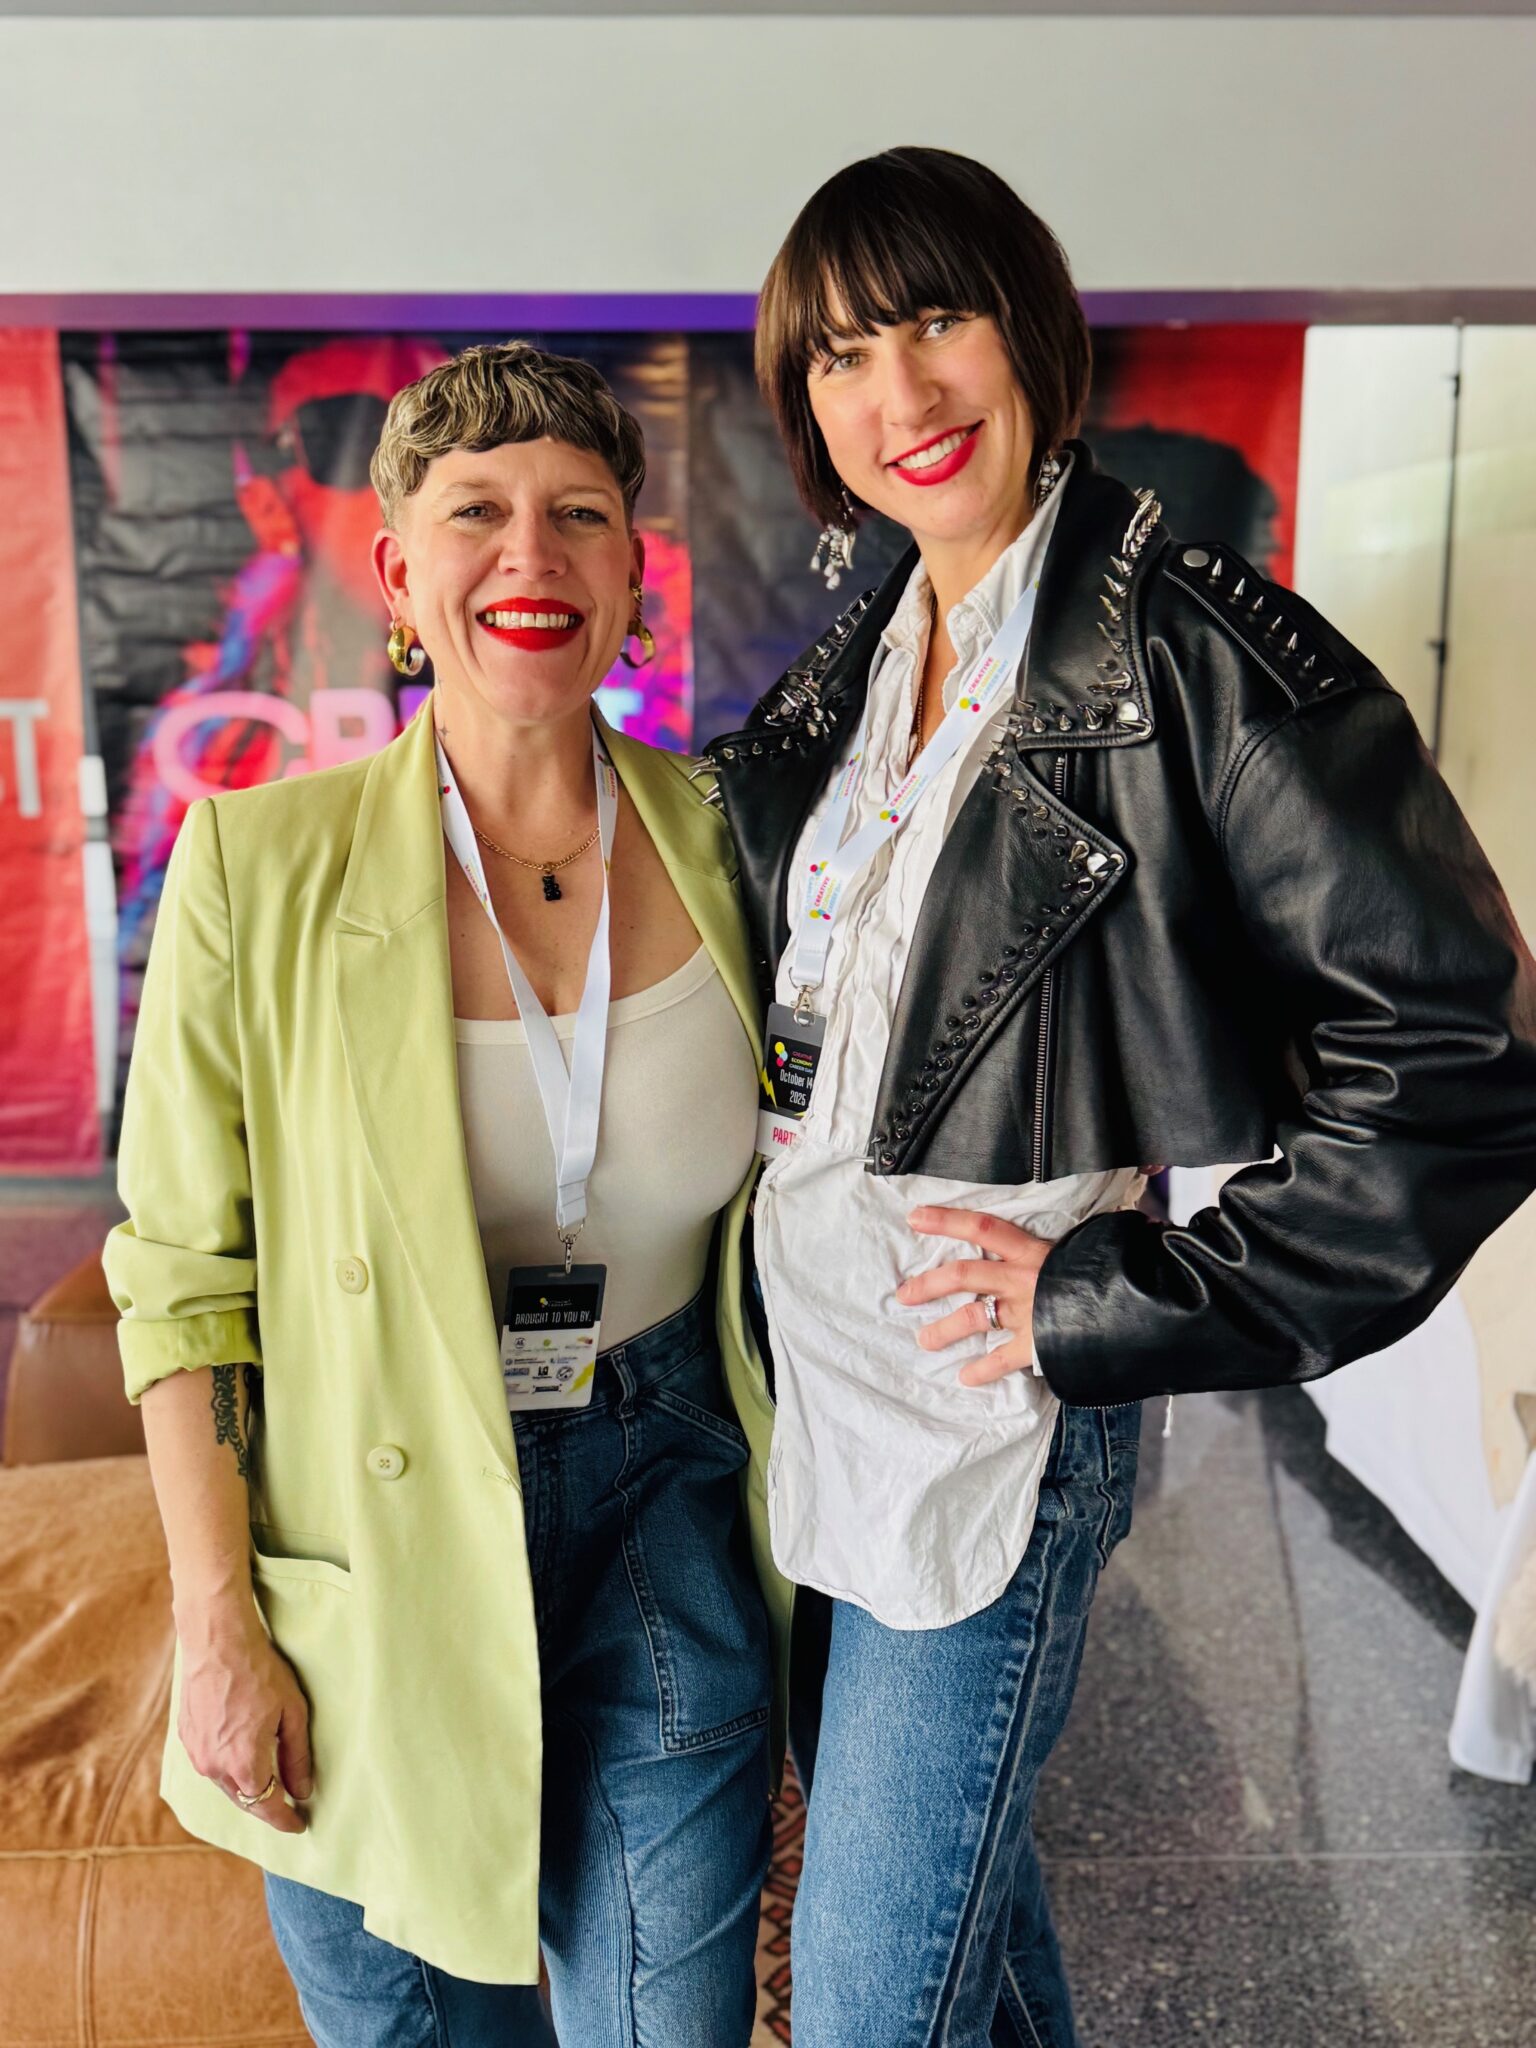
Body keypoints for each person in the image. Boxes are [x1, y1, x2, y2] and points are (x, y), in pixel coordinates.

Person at [708, 146, 1536, 2047]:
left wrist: (1122, 1300)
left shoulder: (1201, 650)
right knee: (977, 1969)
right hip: (816, 1413)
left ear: (1031, 329)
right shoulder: (862, 668)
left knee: (867, 2010)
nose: (900, 394)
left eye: (936, 319)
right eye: (841, 355)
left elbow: (1462, 1063)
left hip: (978, 1440)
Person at [104, 339, 785, 2048]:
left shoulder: (742, 845)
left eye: (579, 513)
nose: (529, 554)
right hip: (373, 1525)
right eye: (474, 512)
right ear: (399, 576)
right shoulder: (255, 867)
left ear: (634, 572)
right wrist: (217, 1622)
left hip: (662, 1489)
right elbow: (183, 1281)